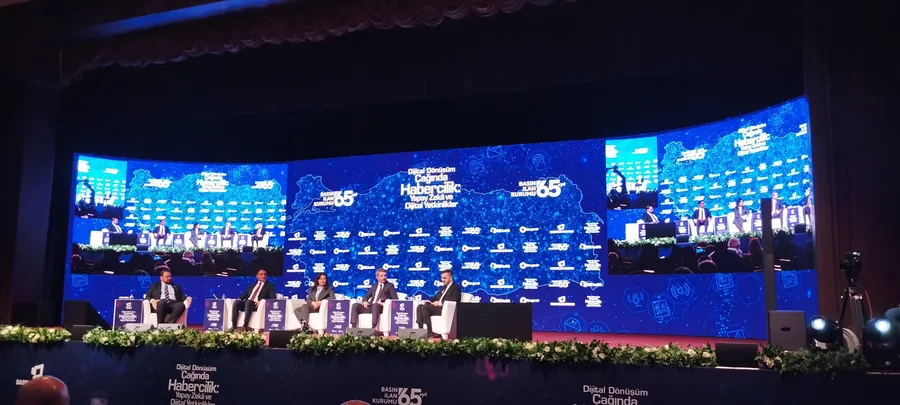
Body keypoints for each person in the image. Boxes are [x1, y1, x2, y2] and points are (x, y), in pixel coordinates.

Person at [416, 270, 461, 338]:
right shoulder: (443, 288)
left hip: (444, 309)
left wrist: (440, 303)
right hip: (436, 308)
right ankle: (420, 331)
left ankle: (430, 333)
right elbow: (435, 297)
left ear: (451, 278)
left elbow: (455, 299)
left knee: (425, 308)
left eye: (445, 278)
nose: (442, 280)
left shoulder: (456, 288)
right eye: (442, 278)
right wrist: (428, 301)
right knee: (420, 306)